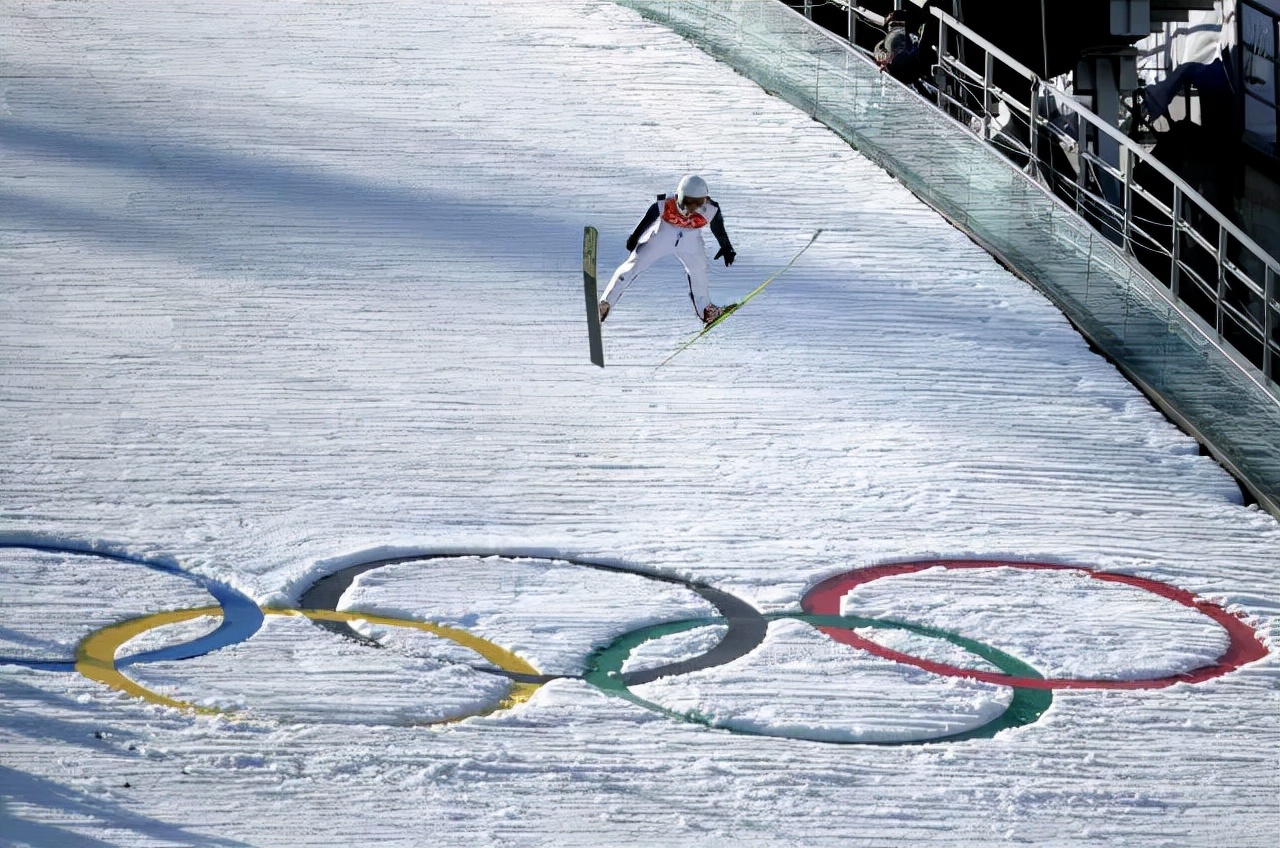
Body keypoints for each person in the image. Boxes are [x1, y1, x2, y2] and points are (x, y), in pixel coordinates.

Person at [598, 174, 736, 326]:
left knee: (698, 271)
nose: (692, 207)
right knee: (635, 263)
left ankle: (706, 311)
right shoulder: (666, 203)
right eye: (689, 202)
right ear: (679, 196)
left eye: (698, 202)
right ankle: (605, 302)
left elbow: (718, 227)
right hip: (663, 235)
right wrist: (635, 237)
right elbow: (648, 219)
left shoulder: (710, 209)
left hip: (691, 241)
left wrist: (726, 246)